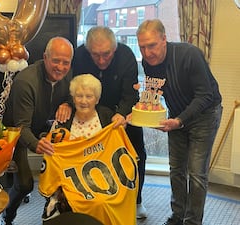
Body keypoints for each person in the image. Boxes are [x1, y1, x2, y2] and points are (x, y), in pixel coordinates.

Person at [136, 19, 222, 225]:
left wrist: (180, 121)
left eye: (152, 45)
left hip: (205, 115)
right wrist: (142, 105)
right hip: (176, 116)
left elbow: (205, 95)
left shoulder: (189, 54)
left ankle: (192, 222)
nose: (147, 53)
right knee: (176, 170)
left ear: (164, 39)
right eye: (142, 47)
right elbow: (154, 93)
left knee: (196, 173)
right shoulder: (148, 62)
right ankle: (177, 216)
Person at [38, 74, 138, 225]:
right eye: (79, 96)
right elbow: (52, 154)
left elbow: (122, 151)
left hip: (106, 180)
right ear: (73, 98)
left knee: (103, 202)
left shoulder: (107, 117)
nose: (83, 101)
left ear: (97, 99)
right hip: (72, 184)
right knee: (92, 203)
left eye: (89, 96)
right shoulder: (63, 121)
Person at [72, 26, 147, 219]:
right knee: (96, 157)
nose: (101, 60)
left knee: (135, 154)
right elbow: (74, 87)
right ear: (88, 50)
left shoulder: (126, 55)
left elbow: (131, 94)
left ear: (114, 49)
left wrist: (122, 113)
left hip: (123, 111)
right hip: (92, 112)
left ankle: (136, 200)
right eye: (95, 55)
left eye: (106, 54)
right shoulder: (79, 55)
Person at [1, 36, 74, 225]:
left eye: (66, 62)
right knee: (25, 184)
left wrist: (68, 103)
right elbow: (21, 127)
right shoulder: (26, 81)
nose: (60, 67)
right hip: (15, 133)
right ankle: (7, 216)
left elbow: (72, 94)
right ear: (45, 57)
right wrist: (36, 144)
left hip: (42, 127)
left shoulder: (68, 74)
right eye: (56, 60)